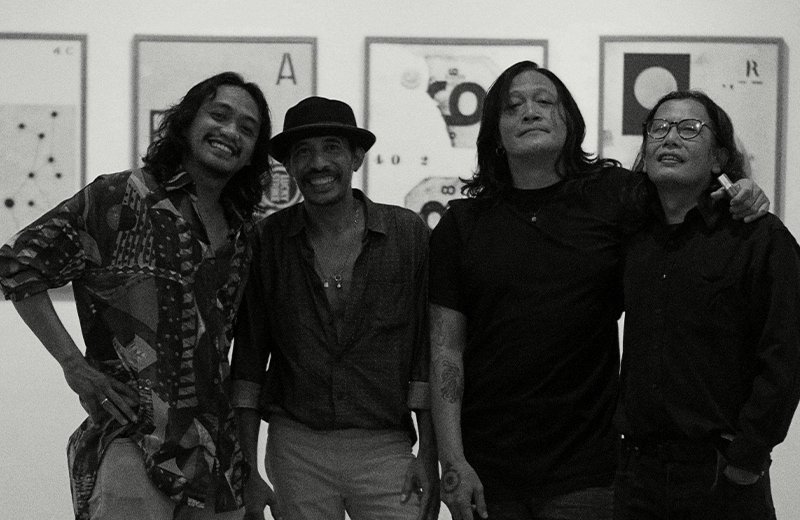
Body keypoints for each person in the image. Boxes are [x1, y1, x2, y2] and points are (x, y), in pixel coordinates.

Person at [428, 61, 769, 520]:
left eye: (544, 101)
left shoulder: (615, 196)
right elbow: (446, 352)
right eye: (513, 106)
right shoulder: (460, 225)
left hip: (590, 472)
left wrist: (738, 187)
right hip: (488, 473)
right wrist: (453, 462)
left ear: (569, 121)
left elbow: (686, 191)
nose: (530, 111)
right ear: (495, 133)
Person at [0, 72, 272, 520]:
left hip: (217, 466)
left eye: (247, 128)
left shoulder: (243, 233)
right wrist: (73, 365)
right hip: (134, 446)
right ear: (187, 122)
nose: (230, 132)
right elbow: (17, 264)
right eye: (219, 115)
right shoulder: (121, 197)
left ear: (253, 154)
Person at [231, 96, 439, 520]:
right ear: (289, 166)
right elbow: (249, 361)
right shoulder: (267, 241)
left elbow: (427, 353)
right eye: (303, 152)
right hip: (296, 449)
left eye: (332, 148)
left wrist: (430, 457)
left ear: (356, 157)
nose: (318, 163)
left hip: (387, 448)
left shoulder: (407, 234)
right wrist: (248, 468)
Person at [613, 90, 800, 520]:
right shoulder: (632, 237)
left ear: (718, 158)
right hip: (636, 477)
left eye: (689, 129)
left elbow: (786, 355)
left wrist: (747, 459)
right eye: (659, 128)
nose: (670, 138)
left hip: (721, 476)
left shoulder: (758, 237)